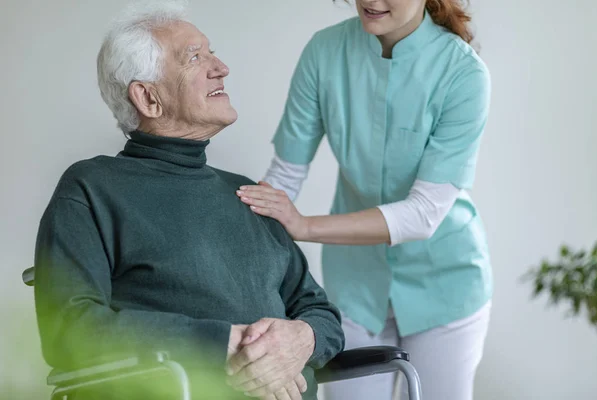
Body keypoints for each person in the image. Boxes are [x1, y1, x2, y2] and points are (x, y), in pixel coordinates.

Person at [33, 2, 344, 399]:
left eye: (211, 51)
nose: (221, 67)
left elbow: (319, 311)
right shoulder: (92, 188)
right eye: (195, 57)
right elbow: (68, 330)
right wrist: (219, 344)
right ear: (148, 98)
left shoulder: (247, 194)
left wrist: (303, 338)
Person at [235, 1, 492, 399]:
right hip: (354, 286)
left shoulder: (463, 73)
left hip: (446, 287)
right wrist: (228, 246)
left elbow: (422, 215)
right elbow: (283, 178)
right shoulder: (324, 52)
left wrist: (304, 226)